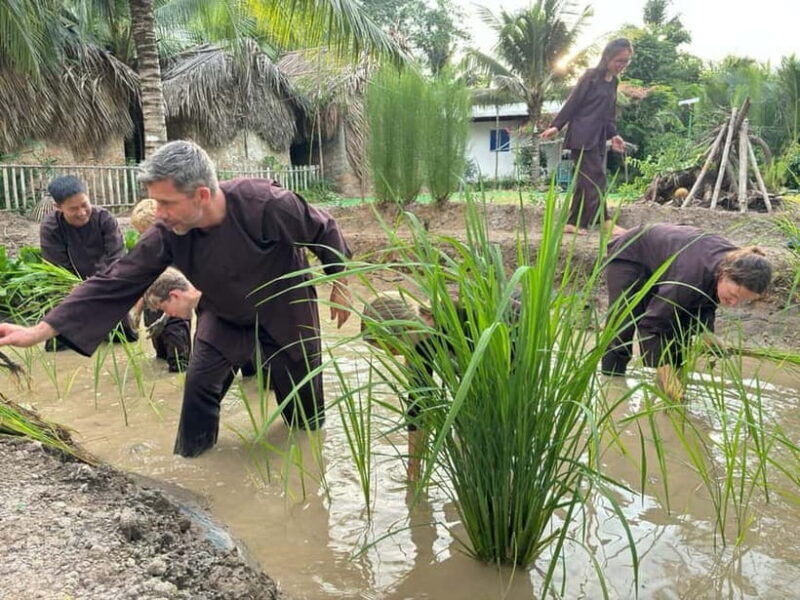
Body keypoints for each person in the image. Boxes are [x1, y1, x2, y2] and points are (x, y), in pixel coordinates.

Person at [0, 140, 352, 457]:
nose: (160, 213)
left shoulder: (267, 204)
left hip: (285, 314)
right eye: (156, 203)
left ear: (201, 195)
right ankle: (197, 465)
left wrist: (341, 280)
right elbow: (115, 280)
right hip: (224, 315)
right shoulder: (168, 232)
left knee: (305, 416)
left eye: (167, 203)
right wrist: (42, 330)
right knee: (198, 388)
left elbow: (323, 228)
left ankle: (307, 460)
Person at [601, 223, 772, 400]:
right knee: (622, 323)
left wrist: (706, 334)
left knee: (678, 327)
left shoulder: (735, 264)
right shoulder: (692, 277)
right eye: (733, 295)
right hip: (632, 253)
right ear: (724, 274)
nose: (734, 304)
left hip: (670, 261)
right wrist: (667, 378)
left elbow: (703, 304)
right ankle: (611, 384)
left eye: (743, 301)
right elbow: (651, 324)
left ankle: (672, 382)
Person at [540, 38, 633, 236]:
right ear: (608, 56)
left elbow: (608, 114)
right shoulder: (591, 77)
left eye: (626, 62)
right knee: (596, 178)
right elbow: (572, 103)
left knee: (585, 183)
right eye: (619, 60)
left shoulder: (613, 83)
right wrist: (556, 126)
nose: (622, 66)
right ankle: (605, 221)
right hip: (581, 136)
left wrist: (614, 134)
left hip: (598, 138)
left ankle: (573, 223)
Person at [39, 175, 138, 348]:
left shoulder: (104, 218)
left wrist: (101, 284)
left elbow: (117, 257)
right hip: (69, 286)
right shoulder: (51, 227)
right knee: (60, 344)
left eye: (85, 204)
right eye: (73, 209)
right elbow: (56, 266)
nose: (82, 212)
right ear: (58, 207)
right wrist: (75, 287)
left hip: (105, 280)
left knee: (124, 338)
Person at [130, 199, 192, 372]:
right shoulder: (145, 252)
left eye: (147, 233)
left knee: (179, 364)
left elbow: (186, 289)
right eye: (141, 234)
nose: (144, 238)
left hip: (175, 311)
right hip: (152, 310)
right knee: (161, 357)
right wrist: (138, 311)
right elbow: (144, 284)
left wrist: (165, 318)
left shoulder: (178, 250)